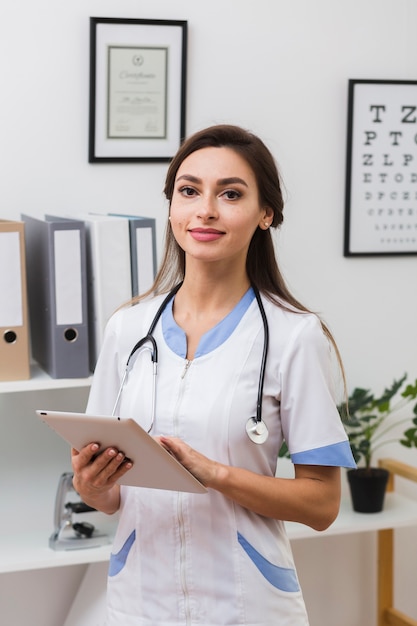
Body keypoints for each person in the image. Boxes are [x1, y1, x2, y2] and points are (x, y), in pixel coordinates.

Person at [72, 124, 356, 625]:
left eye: (230, 193)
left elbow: (322, 503)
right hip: (140, 602)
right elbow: (109, 496)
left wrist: (216, 475)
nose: (205, 209)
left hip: (246, 604)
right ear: (172, 207)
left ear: (265, 213)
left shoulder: (294, 336)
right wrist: (93, 487)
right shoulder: (128, 328)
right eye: (188, 191)